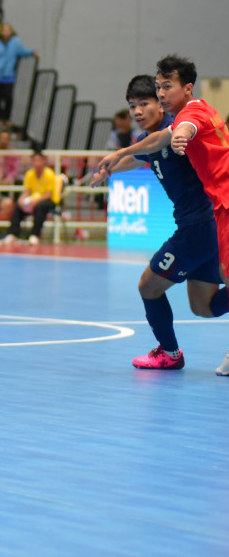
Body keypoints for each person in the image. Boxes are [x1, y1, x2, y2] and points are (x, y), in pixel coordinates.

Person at [97, 55, 229, 375]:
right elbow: (144, 152)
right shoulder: (151, 139)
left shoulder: (177, 124)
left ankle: (169, 354)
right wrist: (111, 166)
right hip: (204, 228)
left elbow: (175, 133)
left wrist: (121, 152)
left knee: (148, 286)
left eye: (147, 101)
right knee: (203, 306)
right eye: (133, 106)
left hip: (199, 226)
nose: (139, 110)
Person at [2, 150, 60, 245]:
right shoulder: (29, 174)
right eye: (35, 160)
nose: (37, 163)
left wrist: (36, 201)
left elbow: (48, 194)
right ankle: (13, 234)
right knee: (18, 205)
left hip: (49, 201)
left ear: (43, 162)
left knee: (40, 206)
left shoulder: (49, 174)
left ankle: (35, 235)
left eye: (39, 160)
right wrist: (21, 200)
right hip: (34, 200)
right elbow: (27, 191)